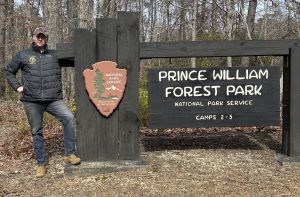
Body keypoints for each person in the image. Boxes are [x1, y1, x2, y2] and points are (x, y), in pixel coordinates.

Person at [5, 27, 81, 178]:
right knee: (36, 131)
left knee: (69, 118)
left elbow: (77, 60)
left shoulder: (56, 54)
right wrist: (17, 86)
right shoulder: (23, 55)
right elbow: (8, 70)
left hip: (53, 99)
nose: (40, 39)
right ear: (33, 37)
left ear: (46, 38)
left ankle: (69, 154)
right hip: (31, 100)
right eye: (38, 36)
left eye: (43, 37)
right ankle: (41, 163)